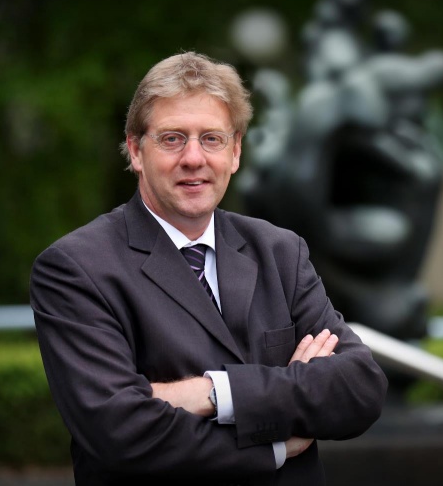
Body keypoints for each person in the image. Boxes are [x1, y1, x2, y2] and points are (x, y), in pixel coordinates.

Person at [30, 51, 388, 486]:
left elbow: (358, 388)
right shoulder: (76, 268)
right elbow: (118, 430)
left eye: (212, 139)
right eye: (172, 138)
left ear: (235, 152)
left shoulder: (280, 252)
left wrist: (214, 392)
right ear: (135, 150)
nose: (194, 158)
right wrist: (276, 441)